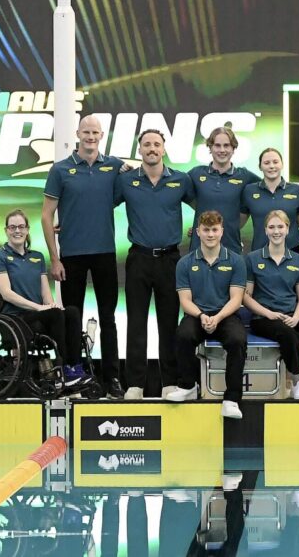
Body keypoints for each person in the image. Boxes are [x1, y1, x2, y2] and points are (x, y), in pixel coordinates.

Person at [41, 114, 124, 398]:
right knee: (72, 318)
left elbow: (135, 188)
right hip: (71, 256)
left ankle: (112, 378)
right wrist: (55, 259)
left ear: (102, 136)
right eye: (86, 132)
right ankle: (73, 374)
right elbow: (46, 215)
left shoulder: (114, 167)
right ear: (77, 134)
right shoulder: (60, 170)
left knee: (108, 318)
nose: (90, 136)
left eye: (95, 132)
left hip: (105, 253)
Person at [114, 129, 196, 399]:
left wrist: (198, 228)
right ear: (139, 150)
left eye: (156, 144)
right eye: (147, 144)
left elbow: (205, 206)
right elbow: (98, 204)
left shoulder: (180, 180)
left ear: (163, 149)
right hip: (138, 258)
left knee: (169, 323)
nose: (152, 148)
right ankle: (135, 384)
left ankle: (169, 382)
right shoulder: (126, 180)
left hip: (170, 260)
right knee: (136, 323)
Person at [0, 209, 87, 385]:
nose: (17, 231)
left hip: (37, 315)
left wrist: (52, 305)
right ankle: (61, 371)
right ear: (6, 230)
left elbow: (45, 294)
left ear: (27, 230)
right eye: (12, 227)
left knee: (71, 312)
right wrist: (39, 307)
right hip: (15, 318)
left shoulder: (37, 257)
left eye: (21, 227)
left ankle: (74, 368)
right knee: (55, 315)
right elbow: (6, 294)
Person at [242, 210, 299, 400]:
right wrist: (268, 313)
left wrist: (296, 317)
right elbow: (245, 297)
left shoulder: (297, 260)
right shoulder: (253, 258)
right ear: (265, 230)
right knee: (289, 335)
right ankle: (296, 383)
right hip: (263, 318)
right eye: (272, 227)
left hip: (290, 315)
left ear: (288, 229)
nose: (276, 231)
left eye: (280, 227)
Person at [167, 211, 248, 418]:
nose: (210, 234)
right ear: (198, 232)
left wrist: (218, 317)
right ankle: (188, 386)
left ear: (222, 231)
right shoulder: (185, 263)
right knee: (183, 335)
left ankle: (232, 399)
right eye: (206, 230)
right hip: (197, 315)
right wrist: (202, 316)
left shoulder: (236, 261)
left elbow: (236, 299)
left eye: (214, 230)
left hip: (226, 315)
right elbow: (185, 300)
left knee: (237, 340)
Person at [187, 125, 260, 253]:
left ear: (233, 148)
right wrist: (200, 216)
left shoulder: (245, 177)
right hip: (199, 250)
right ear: (210, 147)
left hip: (231, 249)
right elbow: (175, 193)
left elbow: (270, 192)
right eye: (217, 145)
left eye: (226, 145)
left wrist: (244, 215)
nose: (222, 150)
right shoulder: (196, 174)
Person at [241, 148, 299, 252]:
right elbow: (238, 223)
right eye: (266, 163)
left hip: (292, 250)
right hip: (260, 252)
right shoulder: (249, 191)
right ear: (260, 166)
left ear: (282, 164)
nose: (272, 166)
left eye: (275, 162)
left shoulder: (297, 190)